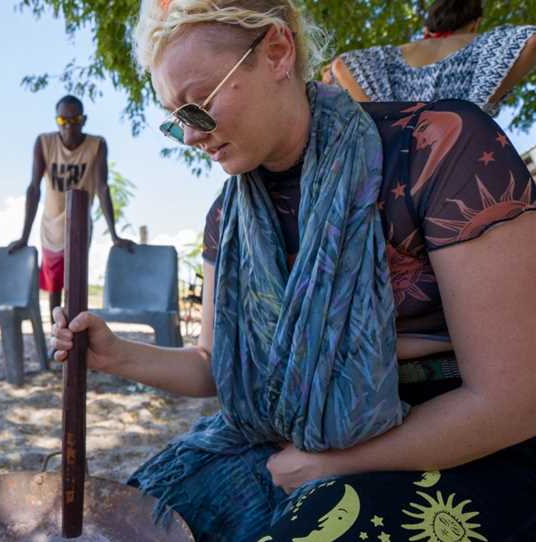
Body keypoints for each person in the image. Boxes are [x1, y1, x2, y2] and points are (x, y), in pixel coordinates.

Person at [52, 0, 536, 540]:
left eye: (198, 105)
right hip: (294, 430)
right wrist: (117, 354)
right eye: (175, 120)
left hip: (464, 440)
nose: (190, 136)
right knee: (133, 517)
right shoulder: (230, 216)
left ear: (278, 52)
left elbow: (513, 402)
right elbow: (216, 365)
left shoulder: (437, 150)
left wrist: (333, 465)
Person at [9, 95, 135, 320]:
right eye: (62, 120)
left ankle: (75, 336)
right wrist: (23, 237)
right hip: (51, 224)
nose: (68, 125)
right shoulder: (44, 143)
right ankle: (55, 335)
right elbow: (34, 189)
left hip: (79, 223)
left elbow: (102, 188)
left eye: (74, 119)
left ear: (83, 119)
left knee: (75, 281)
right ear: (56, 120)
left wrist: (114, 235)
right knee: (54, 284)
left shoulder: (96, 145)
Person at [332, 0, 536, 115]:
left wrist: (384, 121)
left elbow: (342, 65)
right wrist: (479, 102)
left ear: (427, 28)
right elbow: (532, 41)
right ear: (475, 22)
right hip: (462, 165)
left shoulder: (390, 56)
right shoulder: (483, 45)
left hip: (404, 172)